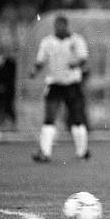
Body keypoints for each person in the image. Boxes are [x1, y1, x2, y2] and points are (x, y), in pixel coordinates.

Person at [30, 15, 90, 162]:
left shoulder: (77, 40)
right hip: (55, 84)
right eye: (57, 25)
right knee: (49, 118)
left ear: (66, 25)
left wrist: (75, 63)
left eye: (62, 25)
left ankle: (82, 152)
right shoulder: (47, 42)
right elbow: (40, 61)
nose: (59, 28)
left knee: (77, 118)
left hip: (72, 84)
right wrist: (34, 71)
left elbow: (83, 58)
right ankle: (45, 152)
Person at [0, 45, 17, 142]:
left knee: (8, 108)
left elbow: (11, 77)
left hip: (7, 91)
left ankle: (11, 127)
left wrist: (4, 87)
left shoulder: (10, 63)